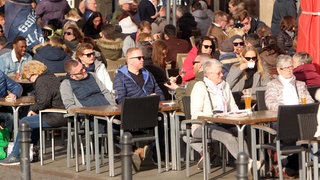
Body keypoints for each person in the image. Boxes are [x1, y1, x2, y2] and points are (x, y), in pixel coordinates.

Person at [190, 59, 260, 170]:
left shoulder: (225, 85)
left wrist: (239, 114)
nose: (222, 75)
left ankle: (249, 163)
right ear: (209, 74)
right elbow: (195, 113)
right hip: (202, 125)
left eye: (222, 72)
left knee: (239, 132)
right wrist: (213, 116)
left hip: (224, 123)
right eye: (218, 73)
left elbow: (233, 107)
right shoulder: (200, 87)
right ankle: (248, 163)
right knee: (226, 136)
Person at [0, 61, 66, 165]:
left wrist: (33, 109)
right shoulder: (51, 77)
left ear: (34, 73)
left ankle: (15, 156)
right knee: (33, 122)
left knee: (24, 122)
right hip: (61, 114)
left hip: (55, 116)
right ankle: (32, 152)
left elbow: (43, 102)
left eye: (29, 77)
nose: (29, 80)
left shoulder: (41, 81)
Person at [265, 54, 313, 177]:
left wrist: (300, 108)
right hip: (283, 119)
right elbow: (270, 103)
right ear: (278, 69)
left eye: (290, 67)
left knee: (313, 131)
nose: (288, 70)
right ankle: (292, 165)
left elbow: (310, 101)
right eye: (285, 68)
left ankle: (300, 164)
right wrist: (287, 110)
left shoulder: (300, 84)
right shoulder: (273, 85)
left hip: (300, 119)